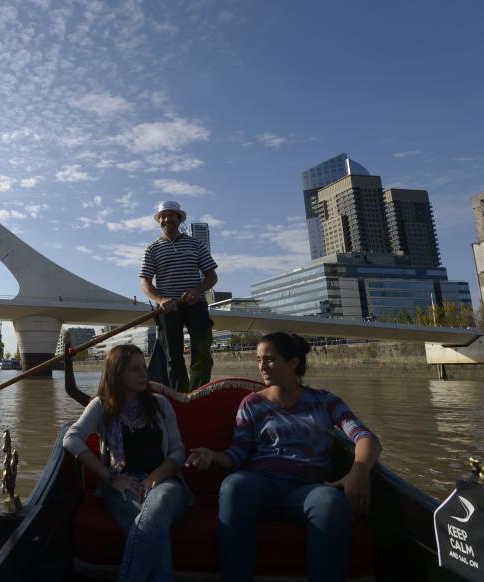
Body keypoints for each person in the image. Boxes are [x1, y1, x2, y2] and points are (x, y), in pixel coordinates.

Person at [186, 332, 380, 582]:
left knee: (331, 503)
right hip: (262, 484)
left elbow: (366, 438)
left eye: (269, 359)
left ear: (293, 363)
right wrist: (211, 455)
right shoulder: (252, 404)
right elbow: (237, 454)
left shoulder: (325, 401)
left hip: (308, 490)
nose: (262, 367)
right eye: (258, 360)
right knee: (234, 486)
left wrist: (359, 470)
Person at [63, 344, 191, 582]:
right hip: (123, 485)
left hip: (166, 483)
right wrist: (112, 478)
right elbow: (71, 439)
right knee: (155, 530)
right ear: (117, 373)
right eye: (135, 369)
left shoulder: (160, 404)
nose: (144, 374)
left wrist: (154, 478)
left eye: (144, 367)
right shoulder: (101, 406)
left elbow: (178, 452)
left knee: (158, 503)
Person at [139, 201, 218, 392]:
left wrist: (197, 290)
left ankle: (198, 395)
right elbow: (145, 282)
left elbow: (212, 276)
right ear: (159, 220)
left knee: (202, 353)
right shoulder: (152, 249)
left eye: (171, 216)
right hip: (168, 307)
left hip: (195, 304)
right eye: (163, 216)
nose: (167, 219)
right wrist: (161, 300)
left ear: (179, 218)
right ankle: (180, 396)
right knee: (173, 358)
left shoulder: (195, 244)